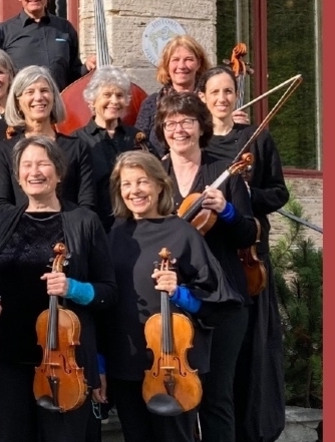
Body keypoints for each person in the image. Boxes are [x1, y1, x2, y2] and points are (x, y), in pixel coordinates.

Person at [0, 135, 116, 442]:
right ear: (17, 176)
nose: (34, 171)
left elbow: (108, 291)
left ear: (59, 172)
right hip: (12, 358)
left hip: (66, 362)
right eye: (26, 165)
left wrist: (73, 288)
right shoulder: (5, 222)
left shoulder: (84, 221)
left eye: (43, 163)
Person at [104, 150, 243, 442]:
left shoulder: (183, 233)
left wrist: (179, 293)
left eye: (142, 181)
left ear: (159, 185)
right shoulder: (115, 234)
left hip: (173, 364)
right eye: (126, 184)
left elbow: (218, 301)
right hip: (127, 359)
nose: (134, 191)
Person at [155, 91, 258, 442]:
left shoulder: (225, 173)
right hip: (173, 297)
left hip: (223, 297)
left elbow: (248, 234)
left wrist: (227, 211)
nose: (179, 129)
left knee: (216, 397)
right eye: (170, 123)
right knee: (176, 396)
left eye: (187, 121)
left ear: (201, 126)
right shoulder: (157, 174)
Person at [197, 65, 289, 442]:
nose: (222, 98)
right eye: (214, 92)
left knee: (251, 348)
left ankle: (253, 428)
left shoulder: (256, 138)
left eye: (228, 91)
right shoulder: (197, 143)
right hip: (208, 255)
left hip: (248, 256)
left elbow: (279, 193)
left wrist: (246, 195)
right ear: (202, 98)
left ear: (237, 96)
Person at [0, 65, 98, 218]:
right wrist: (38, 227)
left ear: (54, 98)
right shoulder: (2, 152)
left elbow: (87, 203)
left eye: (44, 90)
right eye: (30, 92)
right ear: (18, 102)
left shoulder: (77, 147)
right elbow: (1, 207)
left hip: (70, 230)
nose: (39, 97)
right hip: (21, 231)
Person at [73, 65, 159, 231]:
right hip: (95, 226)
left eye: (119, 95)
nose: (114, 101)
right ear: (92, 100)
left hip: (135, 225)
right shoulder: (77, 140)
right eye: (107, 95)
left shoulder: (136, 137)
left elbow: (154, 178)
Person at [0, 0, 96, 91]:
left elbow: (72, 76)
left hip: (60, 102)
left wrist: (86, 67)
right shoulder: (3, 32)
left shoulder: (65, 28)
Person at [134, 35, 212, 154]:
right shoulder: (152, 103)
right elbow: (138, 144)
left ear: (199, 64)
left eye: (189, 59)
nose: (181, 66)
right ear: (167, 65)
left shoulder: (210, 101)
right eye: (175, 60)